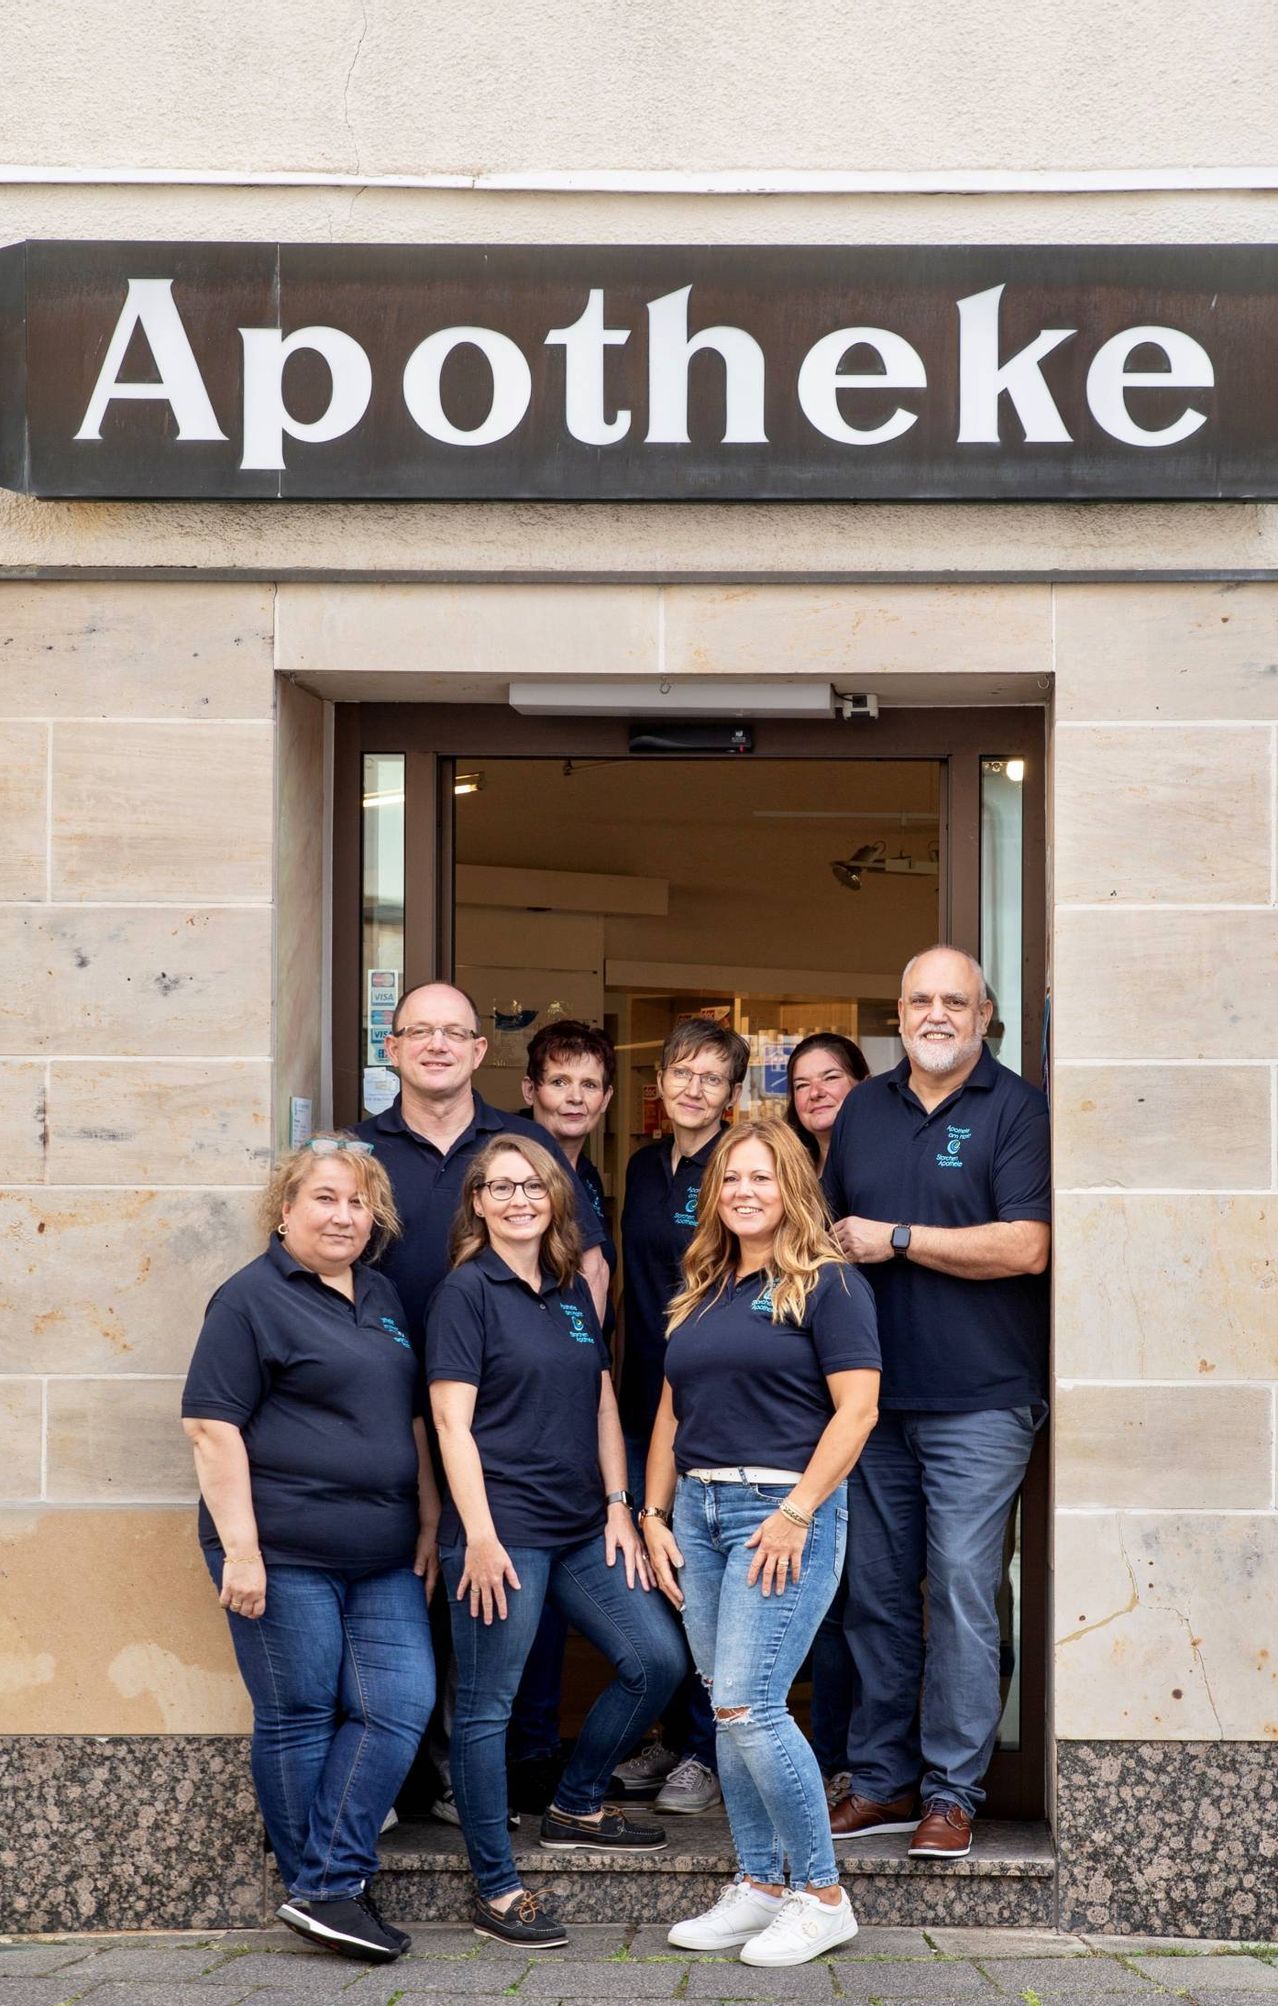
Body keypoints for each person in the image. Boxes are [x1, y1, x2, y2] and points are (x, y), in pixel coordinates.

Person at [355, 981, 610, 1823]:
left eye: (453, 1032)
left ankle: (489, 1776)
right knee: (404, 1587)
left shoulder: (521, 1145)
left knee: (499, 1592)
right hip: (383, 1412)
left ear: (477, 1050)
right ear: (392, 1047)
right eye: (419, 1031)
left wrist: (565, 1361)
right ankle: (394, 1777)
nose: (436, 1045)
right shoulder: (359, 1152)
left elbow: (584, 1264)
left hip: (502, 1417)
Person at [181, 1135, 439, 1967]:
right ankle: (327, 1889)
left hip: (383, 1554)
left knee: (398, 1704)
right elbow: (211, 1427)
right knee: (297, 1714)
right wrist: (242, 1552)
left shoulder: (383, 1294)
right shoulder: (249, 1299)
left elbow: (407, 1419)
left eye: (359, 1202)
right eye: (325, 1198)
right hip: (282, 1551)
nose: (343, 1216)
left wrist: (428, 1519)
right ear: (285, 1210)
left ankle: (325, 1886)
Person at [427, 1132, 686, 1950]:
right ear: (478, 1203)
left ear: (555, 1199)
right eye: (501, 1187)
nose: (519, 1200)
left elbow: (603, 1401)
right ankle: (497, 1889)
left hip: (580, 1525)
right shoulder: (465, 1293)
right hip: (503, 1532)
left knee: (657, 1660)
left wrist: (618, 1504)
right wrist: (478, 1535)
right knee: (488, 1709)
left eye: (533, 1186)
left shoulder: (572, 1287)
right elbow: (450, 1424)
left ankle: (575, 1803)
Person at [824, 945, 1051, 1859]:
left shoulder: (1018, 1109)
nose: (936, 1014)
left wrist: (900, 1238)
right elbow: (830, 1235)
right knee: (877, 1595)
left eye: (955, 1001)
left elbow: (1026, 1246)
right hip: (873, 1400)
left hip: (981, 1400)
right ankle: (883, 1780)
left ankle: (953, 1792)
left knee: (960, 1588)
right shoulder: (862, 1110)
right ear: (899, 1012)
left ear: (984, 1015)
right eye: (920, 999)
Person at [641, 1118, 880, 1967]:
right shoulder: (703, 1287)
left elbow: (858, 1410)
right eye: (732, 1178)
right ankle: (760, 1886)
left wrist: (799, 1511)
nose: (745, 1191)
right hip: (699, 1514)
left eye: (763, 1177)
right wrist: (654, 1514)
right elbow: (672, 1410)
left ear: (793, 1189)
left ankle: (822, 1896)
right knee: (725, 1706)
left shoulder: (828, 1283)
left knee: (750, 1705)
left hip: (779, 1513)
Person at [613, 1017, 750, 1815]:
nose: (694, 1089)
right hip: (642, 1398)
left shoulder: (737, 1167)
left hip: (712, 1401)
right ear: (660, 1081)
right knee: (657, 1571)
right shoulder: (641, 1166)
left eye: (712, 1078)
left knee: (703, 1579)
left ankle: (706, 1749)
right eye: (682, 1073)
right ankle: (672, 1733)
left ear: (732, 1094)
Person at [508, 1020, 619, 1811]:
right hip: (525, 1408)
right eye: (559, 1082)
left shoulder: (589, 1175)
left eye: (588, 1085)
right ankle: (524, 1758)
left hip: (573, 1402)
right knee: (525, 1591)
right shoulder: (522, 1164)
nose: (573, 1098)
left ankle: (536, 1750)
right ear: (530, 1090)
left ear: (606, 1098)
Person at [782, 1031, 871, 1804]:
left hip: (858, 1398)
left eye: (831, 1077)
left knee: (851, 1595)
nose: (815, 1092)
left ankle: (843, 1757)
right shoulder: (788, 1171)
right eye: (801, 1082)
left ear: (862, 1083)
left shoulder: (878, 1162)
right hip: (791, 1403)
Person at [783, 1032, 871, 1173]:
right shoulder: (786, 1173)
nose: (815, 1093)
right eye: (802, 1085)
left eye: (830, 1078)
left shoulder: (891, 1161)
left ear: (865, 1085)